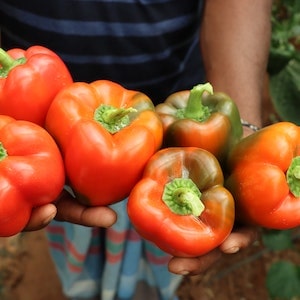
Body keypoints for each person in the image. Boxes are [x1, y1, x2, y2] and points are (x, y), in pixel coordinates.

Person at [0, 1, 273, 299]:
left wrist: (240, 145)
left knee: (153, 257)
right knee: (71, 236)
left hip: (177, 146)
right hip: (48, 158)